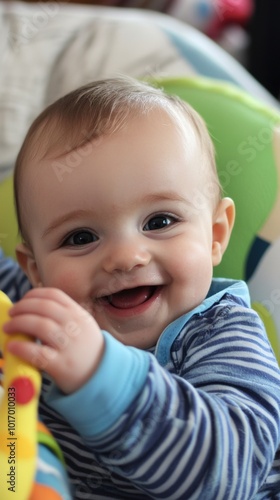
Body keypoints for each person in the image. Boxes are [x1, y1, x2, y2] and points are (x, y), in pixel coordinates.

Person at [3, 76, 280, 499]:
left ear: (215, 235)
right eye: (80, 238)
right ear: (36, 270)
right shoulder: (43, 312)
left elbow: (228, 475)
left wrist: (103, 376)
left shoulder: (221, 334)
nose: (126, 257)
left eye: (160, 222)